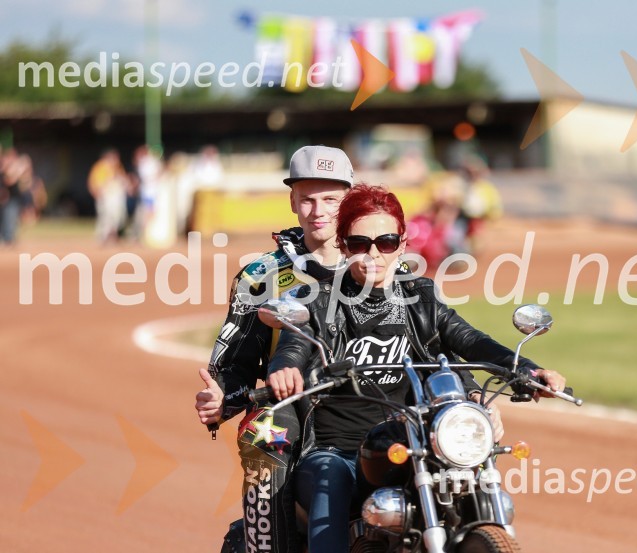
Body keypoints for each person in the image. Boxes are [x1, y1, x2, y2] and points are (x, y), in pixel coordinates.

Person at [266, 184, 566, 553]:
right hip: (336, 450)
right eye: (359, 243)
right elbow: (293, 346)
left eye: (386, 242)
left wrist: (528, 371)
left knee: (465, 468)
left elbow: (471, 340)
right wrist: (285, 369)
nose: (373, 254)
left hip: (412, 444)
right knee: (331, 477)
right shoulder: (317, 302)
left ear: (402, 244)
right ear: (343, 245)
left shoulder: (420, 297)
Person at [195, 145, 358, 553]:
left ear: (350, 201)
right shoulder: (259, 277)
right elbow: (234, 364)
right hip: (289, 407)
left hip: (372, 401)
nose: (318, 211)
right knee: (264, 437)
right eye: (307, 199)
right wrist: (222, 399)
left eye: (330, 200)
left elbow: (426, 340)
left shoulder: (383, 265)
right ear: (292, 201)